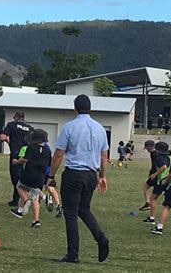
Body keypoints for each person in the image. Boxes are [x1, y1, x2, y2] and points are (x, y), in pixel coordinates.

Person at [47, 94, 109, 264]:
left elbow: (59, 154)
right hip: (91, 175)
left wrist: (51, 175)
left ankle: (73, 254)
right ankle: (100, 238)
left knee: (71, 214)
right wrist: (102, 176)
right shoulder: (99, 128)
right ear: (90, 108)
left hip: (74, 174)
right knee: (84, 209)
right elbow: (104, 155)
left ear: (75, 107)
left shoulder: (70, 127)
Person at [10, 129, 51, 228]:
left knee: (19, 186)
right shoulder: (47, 150)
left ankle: (25, 200)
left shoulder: (31, 147)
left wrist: (16, 162)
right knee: (35, 198)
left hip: (29, 174)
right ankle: (35, 220)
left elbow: (25, 159)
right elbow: (49, 164)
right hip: (40, 177)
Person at [0, 110, 33, 207]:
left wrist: (6, 139)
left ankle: (25, 198)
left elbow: (2, 137)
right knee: (22, 177)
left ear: (15, 117)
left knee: (16, 180)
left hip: (16, 154)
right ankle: (15, 201)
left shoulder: (11, 125)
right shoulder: (30, 128)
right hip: (27, 156)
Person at [143, 142, 171, 224]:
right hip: (167, 180)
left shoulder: (159, 158)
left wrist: (154, 174)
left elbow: (164, 167)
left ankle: (152, 218)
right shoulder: (169, 157)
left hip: (160, 180)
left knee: (153, 198)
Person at [139, 140, 157, 211]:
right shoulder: (157, 153)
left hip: (155, 174)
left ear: (149, 148)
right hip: (159, 174)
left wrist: (152, 174)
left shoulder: (153, 154)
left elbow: (155, 165)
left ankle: (147, 203)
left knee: (146, 187)